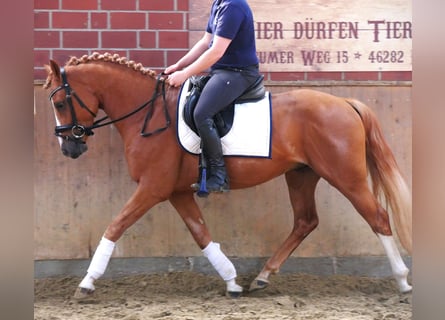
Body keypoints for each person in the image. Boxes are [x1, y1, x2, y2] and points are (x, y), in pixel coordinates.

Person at [165, 0, 261, 193]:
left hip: (239, 73)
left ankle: (219, 175)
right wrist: (179, 65)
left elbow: (216, 51)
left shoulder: (233, 6)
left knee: (202, 113)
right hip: (223, 72)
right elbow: (204, 42)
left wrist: (185, 74)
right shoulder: (219, 3)